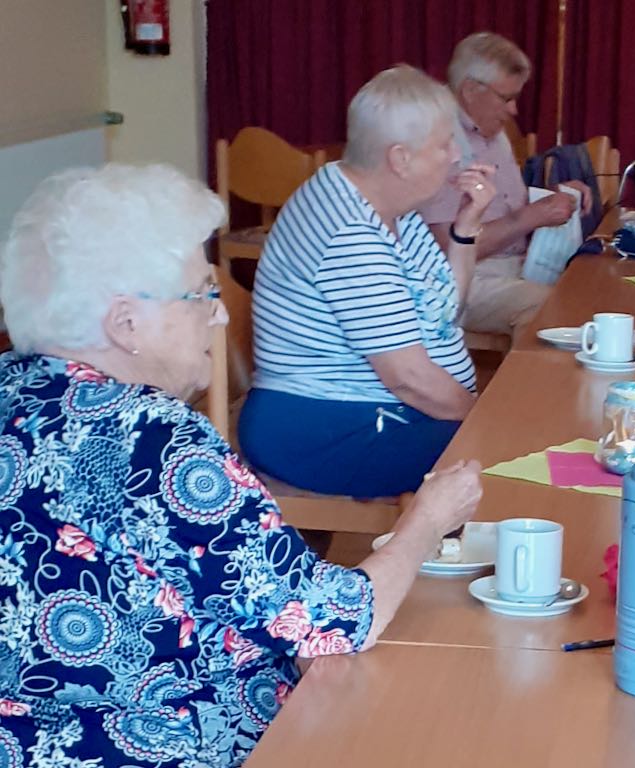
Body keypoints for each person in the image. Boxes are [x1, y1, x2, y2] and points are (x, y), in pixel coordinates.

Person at [0, 163, 483, 766]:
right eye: (202, 294)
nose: (220, 315)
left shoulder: (10, 391)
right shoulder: (157, 441)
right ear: (126, 324)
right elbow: (336, 618)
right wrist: (429, 519)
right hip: (178, 745)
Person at [240, 65, 493, 497]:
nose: (456, 154)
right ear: (400, 158)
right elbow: (407, 379)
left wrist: (465, 229)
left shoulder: (388, 205)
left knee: (510, 443)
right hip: (322, 430)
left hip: (372, 410)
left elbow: (443, 312)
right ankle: (433, 560)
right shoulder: (348, 231)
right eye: (445, 143)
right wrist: (484, 417)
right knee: (499, 455)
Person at [417, 31, 592, 339]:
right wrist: (530, 217)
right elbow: (447, 248)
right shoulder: (438, 138)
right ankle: (525, 388)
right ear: (470, 89)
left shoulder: (493, 130)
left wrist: (556, 198)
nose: (514, 110)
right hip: (462, 279)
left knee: (593, 289)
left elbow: (506, 207)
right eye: (507, 98)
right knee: (551, 309)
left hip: (519, 264)